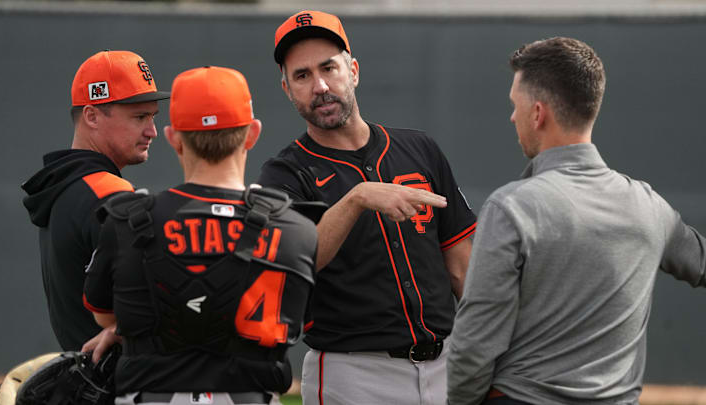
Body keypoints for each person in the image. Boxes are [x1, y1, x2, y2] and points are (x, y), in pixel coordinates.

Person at [447, 37, 706, 405]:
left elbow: (475, 343)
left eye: (514, 106)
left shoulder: (511, 207)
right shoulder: (649, 206)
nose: (511, 117)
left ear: (538, 114)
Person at [258, 10, 477, 404]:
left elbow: (462, 267)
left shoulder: (419, 149)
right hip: (354, 372)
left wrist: (493, 346)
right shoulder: (285, 173)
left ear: (353, 70)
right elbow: (296, 266)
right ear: (287, 89)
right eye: (302, 76)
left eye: (329, 67)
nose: (320, 85)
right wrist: (357, 198)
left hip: (448, 363)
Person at [83, 66, 320, 405]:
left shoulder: (126, 221)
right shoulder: (296, 229)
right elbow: (297, 322)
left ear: (173, 137)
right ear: (252, 134)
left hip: (151, 396)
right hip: (251, 396)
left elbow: (105, 314)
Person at [22, 50, 169, 354]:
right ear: (91, 116)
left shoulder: (63, 187)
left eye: (153, 117)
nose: (152, 131)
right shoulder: (108, 195)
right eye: (139, 117)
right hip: (123, 386)